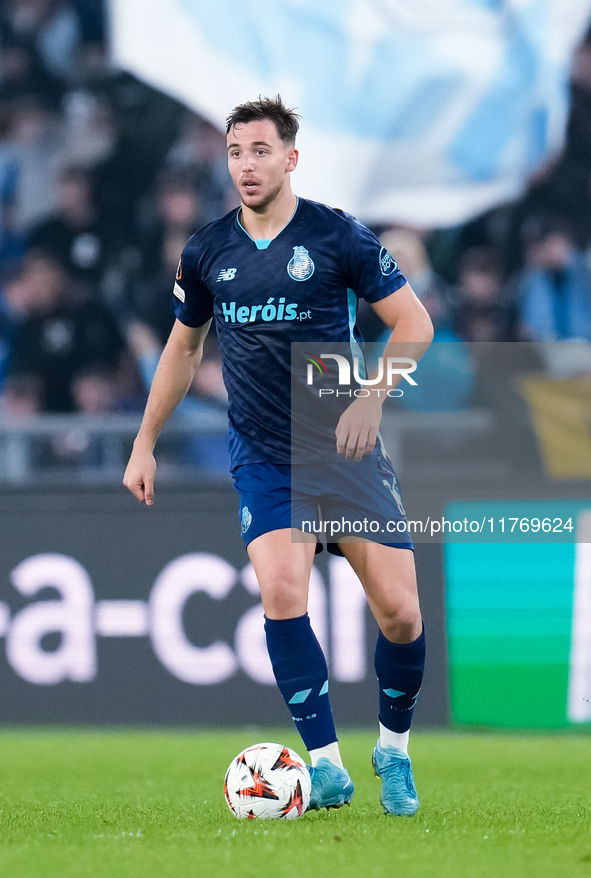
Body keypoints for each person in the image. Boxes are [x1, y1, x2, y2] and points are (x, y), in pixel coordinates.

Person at [123, 96, 433, 816]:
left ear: (289, 158)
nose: (245, 165)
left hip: (345, 452)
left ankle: (393, 747)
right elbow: (182, 348)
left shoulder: (337, 238)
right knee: (282, 593)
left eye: (260, 151)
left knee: (400, 615)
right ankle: (323, 765)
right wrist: (144, 442)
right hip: (265, 456)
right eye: (235, 152)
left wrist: (372, 396)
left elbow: (413, 324)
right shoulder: (206, 251)